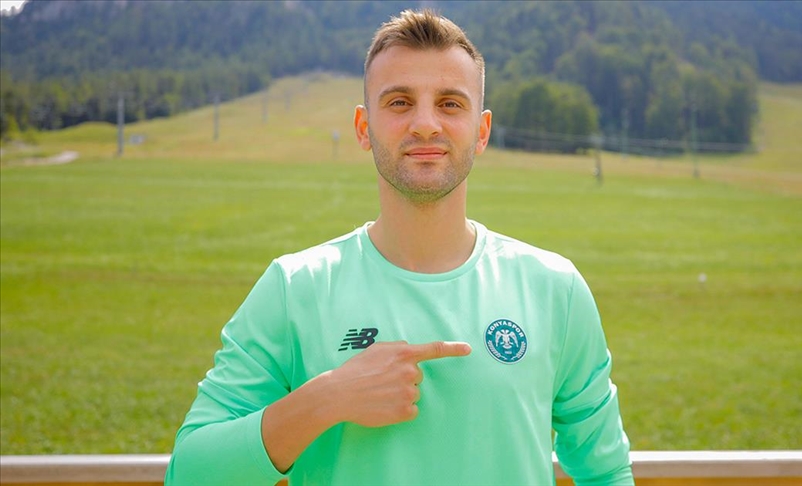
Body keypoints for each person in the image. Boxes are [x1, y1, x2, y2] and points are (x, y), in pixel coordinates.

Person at [165, 9, 633, 486]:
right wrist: (327, 398)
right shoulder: (295, 289)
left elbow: (608, 473)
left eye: (450, 103)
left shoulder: (554, 289)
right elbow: (189, 475)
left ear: (482, 130)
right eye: (400, 102)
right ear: (363, 127)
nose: (426, 124)